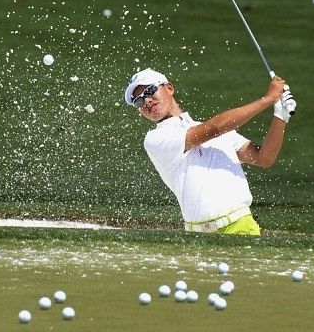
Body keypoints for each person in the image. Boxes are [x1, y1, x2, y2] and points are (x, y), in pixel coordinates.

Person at [124, 68, 296, 236]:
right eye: (138, 101)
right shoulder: (155, 139)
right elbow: (215, 128)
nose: (146, 101)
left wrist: (280, 116)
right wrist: (267, 99)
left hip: (238, 227)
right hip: (196, 236)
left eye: (149, 91)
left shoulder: (219, 132)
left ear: (169, 88)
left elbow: (264, 158)